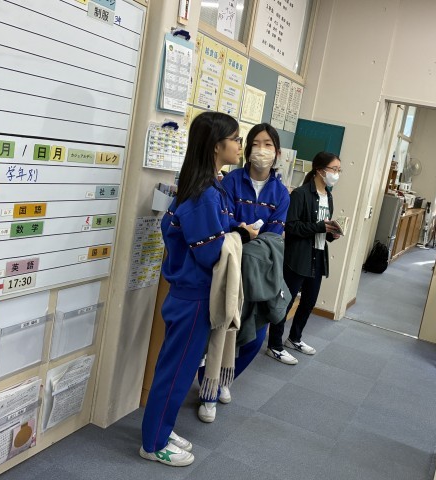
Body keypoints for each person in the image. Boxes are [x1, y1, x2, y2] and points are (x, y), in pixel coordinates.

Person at [140, 112, 257, 467]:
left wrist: (234, 230)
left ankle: (161, 429)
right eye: (235, 139)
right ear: (216, 146)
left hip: (192, 294)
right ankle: (153, 442)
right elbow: (209, 252)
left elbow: (217, 229)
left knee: (176, 368)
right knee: (175, 372)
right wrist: (240, 236)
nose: (240, 145)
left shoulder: (209, 186)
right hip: (193, 297)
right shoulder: (204, 193)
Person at [197, 123, 290, 422]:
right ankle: (208, 392)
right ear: (247, 149)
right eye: (256, 143)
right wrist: (242, 233)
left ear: (277, 153)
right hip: (227, 270)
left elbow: (273, 238)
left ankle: (225, 379)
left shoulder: (281, 193)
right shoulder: (230, 182)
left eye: (268, 144)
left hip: (259, 274)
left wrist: (243, 235)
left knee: (254, 335)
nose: (262, 150)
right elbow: (222, 224)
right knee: (219, 331)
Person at [266, 151, 342, 364]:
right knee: (286, 302)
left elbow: (322, 228)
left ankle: (294, 338)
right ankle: (275, 345)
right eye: (334, 169)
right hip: (298, 256)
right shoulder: (300, 194)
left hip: (318, 255)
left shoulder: (329, 196)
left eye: (339, 170)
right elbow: (291, 227)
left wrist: (331, 234)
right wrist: (319, 227)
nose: (336, 174)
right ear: (320, 170)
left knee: (309, 301)